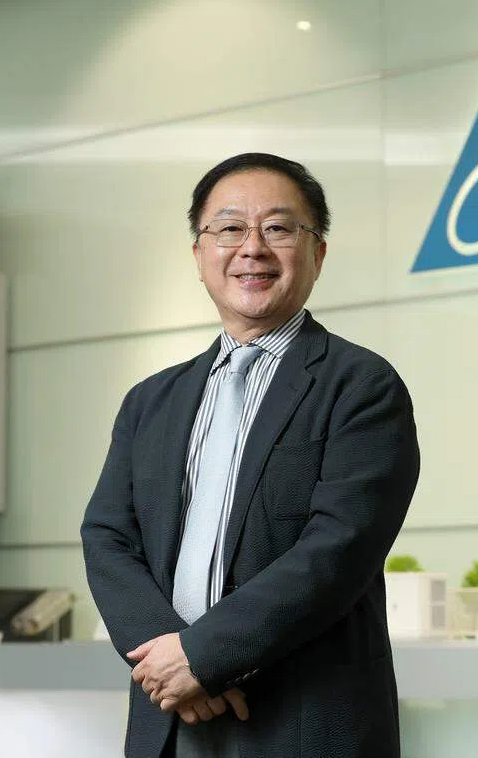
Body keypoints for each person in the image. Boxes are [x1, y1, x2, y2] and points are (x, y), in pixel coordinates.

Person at [81, 152, 421, 758]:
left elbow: (338, 549)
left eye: (279, 228)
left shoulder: (361, 386)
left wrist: (203, 658)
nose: (253, 248)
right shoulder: (150, 401)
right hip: (171, 721)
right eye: (230, 228)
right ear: (199, 254)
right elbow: (108, 537)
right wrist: (169, 660)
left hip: (303, 722)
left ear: (318, 253)